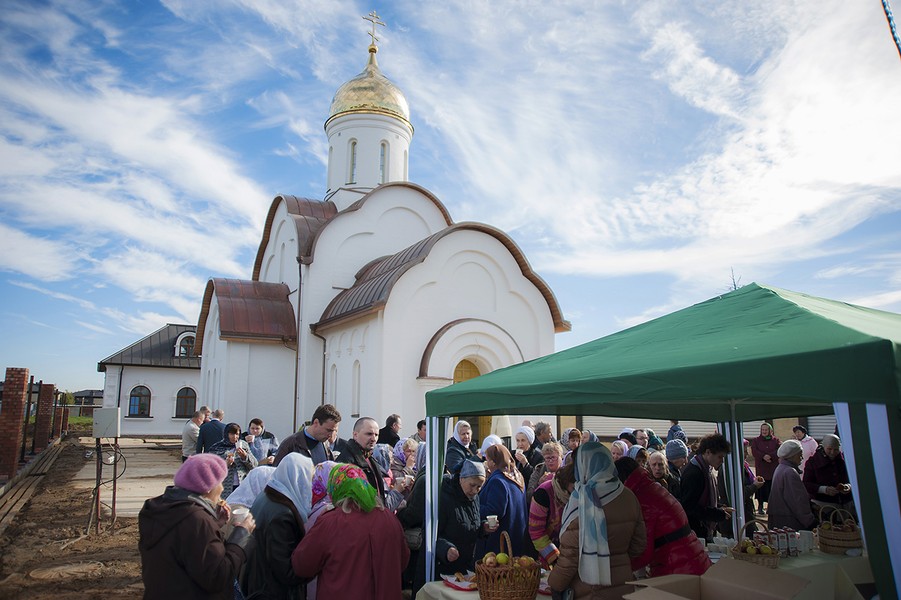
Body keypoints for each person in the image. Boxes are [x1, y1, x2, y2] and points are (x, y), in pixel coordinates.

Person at [139, 453, 256, 599]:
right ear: (207, 487)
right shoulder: (196, 520)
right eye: (220, 482)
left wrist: (214, 524)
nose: (221, 488)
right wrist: (241, 536)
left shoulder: (161, 509)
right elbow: (217, 576)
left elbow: (185, 550)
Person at [291, 464, 409, 600]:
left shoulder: (331, 522)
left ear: (335, 488)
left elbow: (302, 565)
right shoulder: (389, 518)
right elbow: (403, 560)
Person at [548, 442, 646, 599]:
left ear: (582, 466)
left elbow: (570, 559)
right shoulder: (627, 495)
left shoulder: (582, 501)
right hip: (624, 586)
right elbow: (639, 544)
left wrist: (554, 585)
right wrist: (618, 560)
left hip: (589, 589)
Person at [615, 457, 710, 577]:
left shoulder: (642, 500)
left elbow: (644, 551)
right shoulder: (650, 487)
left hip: (677, 567)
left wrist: (619, 569)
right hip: (691, 559)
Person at [242, 453, 314, 600]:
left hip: (259, 583)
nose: (311, 484)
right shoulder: (282, 514)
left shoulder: (269, 495)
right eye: (310, 477)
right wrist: (316, 566)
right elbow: (285, 570)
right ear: (298, 478)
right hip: (271, 591)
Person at [343, 417, 408, 508]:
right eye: (369, 434)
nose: (373, 438)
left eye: (376, 435)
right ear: (355, 435)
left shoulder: (370, 458)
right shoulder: (346, 462)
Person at [679, 433, 734, 542]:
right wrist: (717, 513)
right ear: (708, 452)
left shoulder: (706, 470)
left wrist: (719, 508)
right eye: (720, 457)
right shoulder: (694, 473)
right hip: (695, 532)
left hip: (702, 529)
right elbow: (689, 507)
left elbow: (704, 500)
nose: (721, 461)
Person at [477, 444, 529, 557]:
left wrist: (474, 508)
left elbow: (494, 511)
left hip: (500, 543)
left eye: (488, 460)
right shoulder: (517, 476)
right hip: (517, 538)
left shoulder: (498, 481)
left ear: (494, 462)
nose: (486, 463)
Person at [528, 459, 576, 568]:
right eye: (574, 488)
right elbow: (536, 531)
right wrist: (556, 559)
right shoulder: (544, 493)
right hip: (545, 551)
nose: (577, 491)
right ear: (566, 482)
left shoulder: (578, 495)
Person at [767, 440, 816, 531]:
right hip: (789, 521)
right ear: (792, 456)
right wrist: (810, 521)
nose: (801, 457)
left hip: (779, 518)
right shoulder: (790, 472)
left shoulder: (780, 468)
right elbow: (797, 500)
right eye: (799, 454)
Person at [802, 434, 855, 515]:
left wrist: (848, 486)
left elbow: (854, 478)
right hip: (824, 505)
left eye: (836, 449)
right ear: (823, 447)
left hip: (846, 504)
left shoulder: (845, 460)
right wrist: (823, 489)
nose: (833, 452)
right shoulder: (813, 462)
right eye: (829, 449)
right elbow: (806, 484)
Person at [274, 404, 340, 466]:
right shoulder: (291, 444)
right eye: (328, 430)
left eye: (334, 431)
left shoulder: (326, 445)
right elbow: (277, 474)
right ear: (316, 422)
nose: (331, 435)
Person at [209, 422, 258, 498]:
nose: (235, 437)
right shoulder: (217, 447)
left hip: (242, 485)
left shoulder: (243, 445)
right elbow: (211, 469)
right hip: (225, 486)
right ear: (226, 434)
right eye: (232, 434)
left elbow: (254, 465)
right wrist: (225, 464)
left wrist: (245, 457)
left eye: (237, 434)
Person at [750, 422, 781, 515]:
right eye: (762, 430)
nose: (764, 431)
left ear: (770, 431)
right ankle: (760, 506)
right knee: (761, 486)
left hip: (772, 467)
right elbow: (754, 451)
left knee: (772, 487)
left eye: (766, 430)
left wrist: (770, 456)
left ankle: (771, 506)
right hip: (762, 467)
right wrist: (763, 456)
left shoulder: (776, 440)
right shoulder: (756, 440)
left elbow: (779, 450)